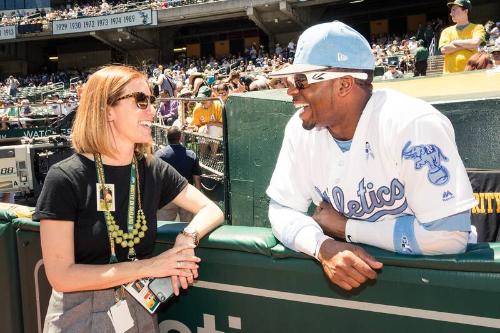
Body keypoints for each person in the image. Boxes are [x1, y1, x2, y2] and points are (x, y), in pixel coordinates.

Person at [266, 21, 477, 291]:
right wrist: (322, 246)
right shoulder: (300, 129)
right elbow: (281, 209)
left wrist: (346, 228)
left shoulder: (410, 124)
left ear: (343, 84)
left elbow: (448, 237)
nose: (291, 92)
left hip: (439, 285)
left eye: (301, 81)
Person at [34, 65, 224, 332]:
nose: (152, 110)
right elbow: (61, 276)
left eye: (152, 100)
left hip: (140, 311)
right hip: (80, 316)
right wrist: (151, 267)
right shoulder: (65, 177)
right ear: (106, 109)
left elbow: (210, 209)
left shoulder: (151, 168)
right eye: (140, 100)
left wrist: (187, 238)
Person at [155, 126, 202, 222]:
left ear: (167, 137)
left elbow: (155, 178)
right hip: (187, 196)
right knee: (188, 228)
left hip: (166, 197)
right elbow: (197, 178)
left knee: (163, 230)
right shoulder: (191, 155)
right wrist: (197, 198)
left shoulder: (159, 155)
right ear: (180, 137)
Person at [438, 0, 485, 74]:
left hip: (471, 74)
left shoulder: (477, 27)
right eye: (451, 11)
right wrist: (468, 46)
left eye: (454, 10)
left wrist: (454, 42)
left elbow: (475, 43)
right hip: (450, 75)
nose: (451, 13)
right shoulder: (446, 31)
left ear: (465, 11)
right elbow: (444, 49)